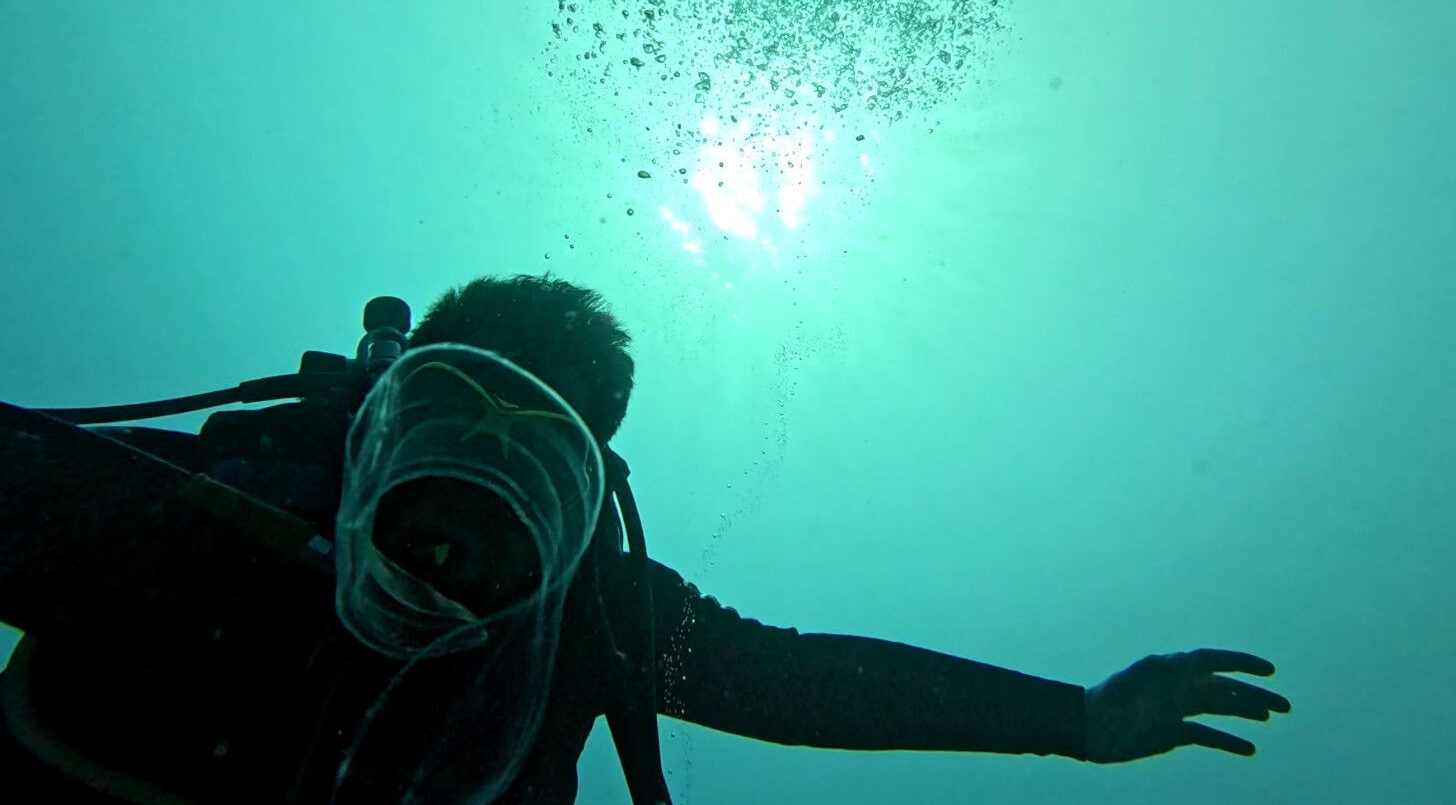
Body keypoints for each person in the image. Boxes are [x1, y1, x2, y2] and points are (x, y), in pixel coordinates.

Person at [0, 274, 1290, 804]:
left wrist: (1076, 719)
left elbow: (795, 682)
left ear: (589, 492)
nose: (478, 486)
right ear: (377, 420)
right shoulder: (186, 508)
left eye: (538, 451)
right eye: (454, 410)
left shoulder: (607, 619)